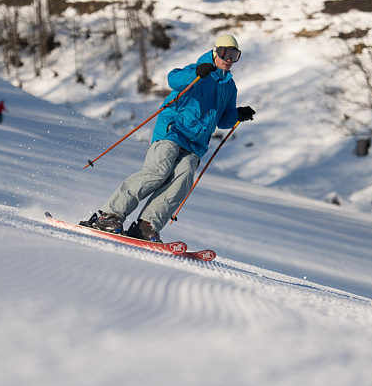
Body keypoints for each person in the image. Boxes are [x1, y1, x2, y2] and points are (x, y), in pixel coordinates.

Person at [84, 34, 255, 242]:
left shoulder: (229, 86)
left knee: (182, 180)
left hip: (196, 144)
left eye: (234, 55)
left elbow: (223, 120)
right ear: (215, 52)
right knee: (158, 172)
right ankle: (108, 215)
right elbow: (173, 79)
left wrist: (238, 114)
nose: (229, 58)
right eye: (225, 52)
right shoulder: (199, 70)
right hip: (173, 131)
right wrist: (196, 73)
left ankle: (147, 224)